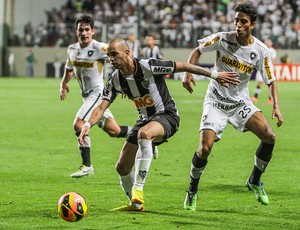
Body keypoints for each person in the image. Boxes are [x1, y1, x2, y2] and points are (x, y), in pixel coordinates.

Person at [78, 37, 240, 211]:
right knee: (122, 167)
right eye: (109, 55)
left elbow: (183, 66)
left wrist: (215, 75)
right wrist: (87, 125)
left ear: (127, 53)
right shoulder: (115, 80)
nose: (111, 59)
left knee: (144, 134)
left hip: (167, 116)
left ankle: (138, 189)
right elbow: (101, 106)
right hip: (144, 120)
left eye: (114, 54)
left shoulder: (148, 66)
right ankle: (135, 204)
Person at [182, 2, 284, 211]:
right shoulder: (222, 38)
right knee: (204, 149)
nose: (238, 25)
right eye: (236, 20)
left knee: (269, 136)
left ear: (253, 24)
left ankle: (254, 181)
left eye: (243, 21)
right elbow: (197, 50)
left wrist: (276, 106)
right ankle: (192, 190)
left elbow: (271, 81)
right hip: (216, 101)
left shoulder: (260, 51)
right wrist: (187, 73)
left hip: (240, 103)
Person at [59, 15, 132, 178]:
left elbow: (123, 58)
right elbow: (69, 69)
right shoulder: (72, 49)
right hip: (87, 97)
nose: (84, 33)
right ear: (76, 31)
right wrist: (63, 85)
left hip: (98, 94)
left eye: (87, 30)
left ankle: (87, 166)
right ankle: (144, 135)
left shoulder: (101, 48)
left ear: (92, 31)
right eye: (81, 30)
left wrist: (126, 82)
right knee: (115, 131)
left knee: (78, 125)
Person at [251, 38, 276, 104]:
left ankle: (270, 98)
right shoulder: (261, 49)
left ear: (271, 43)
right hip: (260, 68)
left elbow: (272, 60)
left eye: (269, 42)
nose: (268, 43)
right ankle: (255, 97)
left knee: (269, 83)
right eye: (267, 42)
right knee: (259, 82)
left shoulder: (272, 51)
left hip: (268, 69)